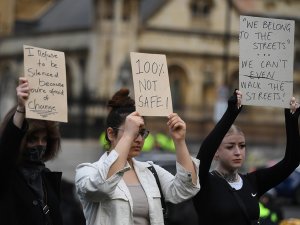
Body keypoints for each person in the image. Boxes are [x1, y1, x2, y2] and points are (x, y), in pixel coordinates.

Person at [75, 88, 200, 225]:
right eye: (133, 132)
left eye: (142, 133)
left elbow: (185, 189)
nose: (140, 139)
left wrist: (179, 140)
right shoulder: (87, 171)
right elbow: (101, 187)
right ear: (111, 134)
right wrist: (128, 135)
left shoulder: (150, 171)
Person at [193, 90, 300, 225]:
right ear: (216, 152)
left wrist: (292, 120)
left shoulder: (253, 182)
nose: (238, 152)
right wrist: (231, 114)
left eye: (242, 146)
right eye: (230, 146)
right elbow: (204, 155)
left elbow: (291, 162)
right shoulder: (204, 182)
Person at [0, 77, 63, 225]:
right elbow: (6, 150)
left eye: (45, 139)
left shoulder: (46, 178)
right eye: (32, 139)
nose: (40, 145)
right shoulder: (6, 175)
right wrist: (21, 110)